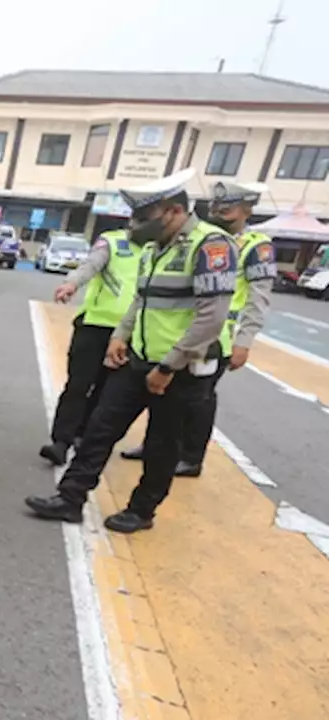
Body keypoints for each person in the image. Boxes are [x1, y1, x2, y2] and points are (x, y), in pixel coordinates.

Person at [25, 169, 236, 533]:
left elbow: (210, 318)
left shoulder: (210, 246)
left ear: (171, 211)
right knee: (99, 428)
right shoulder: (156, 249)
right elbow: (141, 300)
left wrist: (168, 366)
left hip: (180, 370)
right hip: (139, 360)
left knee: (161, 444)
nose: (136, 226)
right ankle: (70, 498)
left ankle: (141, 511)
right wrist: (120, 336)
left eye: (144, 217)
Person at [120, 181, 274, 476]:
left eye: (226, 209)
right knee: (162, 400)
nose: (218, 213)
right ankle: (155, 446)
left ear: (247, 210)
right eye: (215, 207)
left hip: (217, 340)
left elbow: (259, 298)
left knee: (198, 404)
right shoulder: (193, 239)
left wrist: (245, 340)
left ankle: (191, 456)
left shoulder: (256, 245)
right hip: (178, 333)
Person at [39, 226, 142, 466]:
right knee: (78, 385)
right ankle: (61, 442)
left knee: (105, 391)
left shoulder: (159, 249)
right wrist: (71, 284)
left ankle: (82, 436)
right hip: (95, 326)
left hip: (130, 334)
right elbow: (90, 266)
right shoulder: (113, 241)